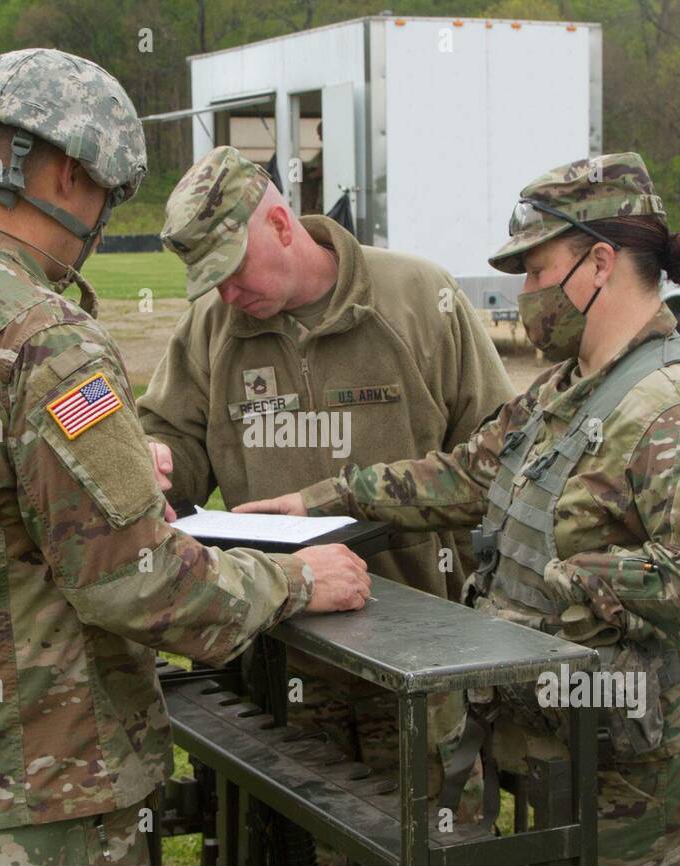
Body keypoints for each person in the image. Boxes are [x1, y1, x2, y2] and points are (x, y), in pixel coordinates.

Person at [0, 48, 370, 866]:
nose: (100, 219)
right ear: (68, 174)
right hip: (42, 791)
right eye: (107, 193)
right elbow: (139, 585)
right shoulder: (41, 336)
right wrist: (298, 580)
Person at [237, 152, 680, 865]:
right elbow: (464, 474)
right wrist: (320, 500)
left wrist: (548, 595)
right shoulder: (563, 391)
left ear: (600, 263)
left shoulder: (679, 406)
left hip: (652, 781)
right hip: (571, 751)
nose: (526, 294)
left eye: (539, 272)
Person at [139, 145, 514, 821]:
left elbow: (501, 464)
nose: (226, 294)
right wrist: (157, 456)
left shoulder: (417, 300)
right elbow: (174, 448)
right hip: (274, 655)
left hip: (420, 665)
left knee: (423, 838)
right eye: (209, 281)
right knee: (285, 837)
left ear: (283, 225)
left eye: (232, 270)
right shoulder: (212, 328)